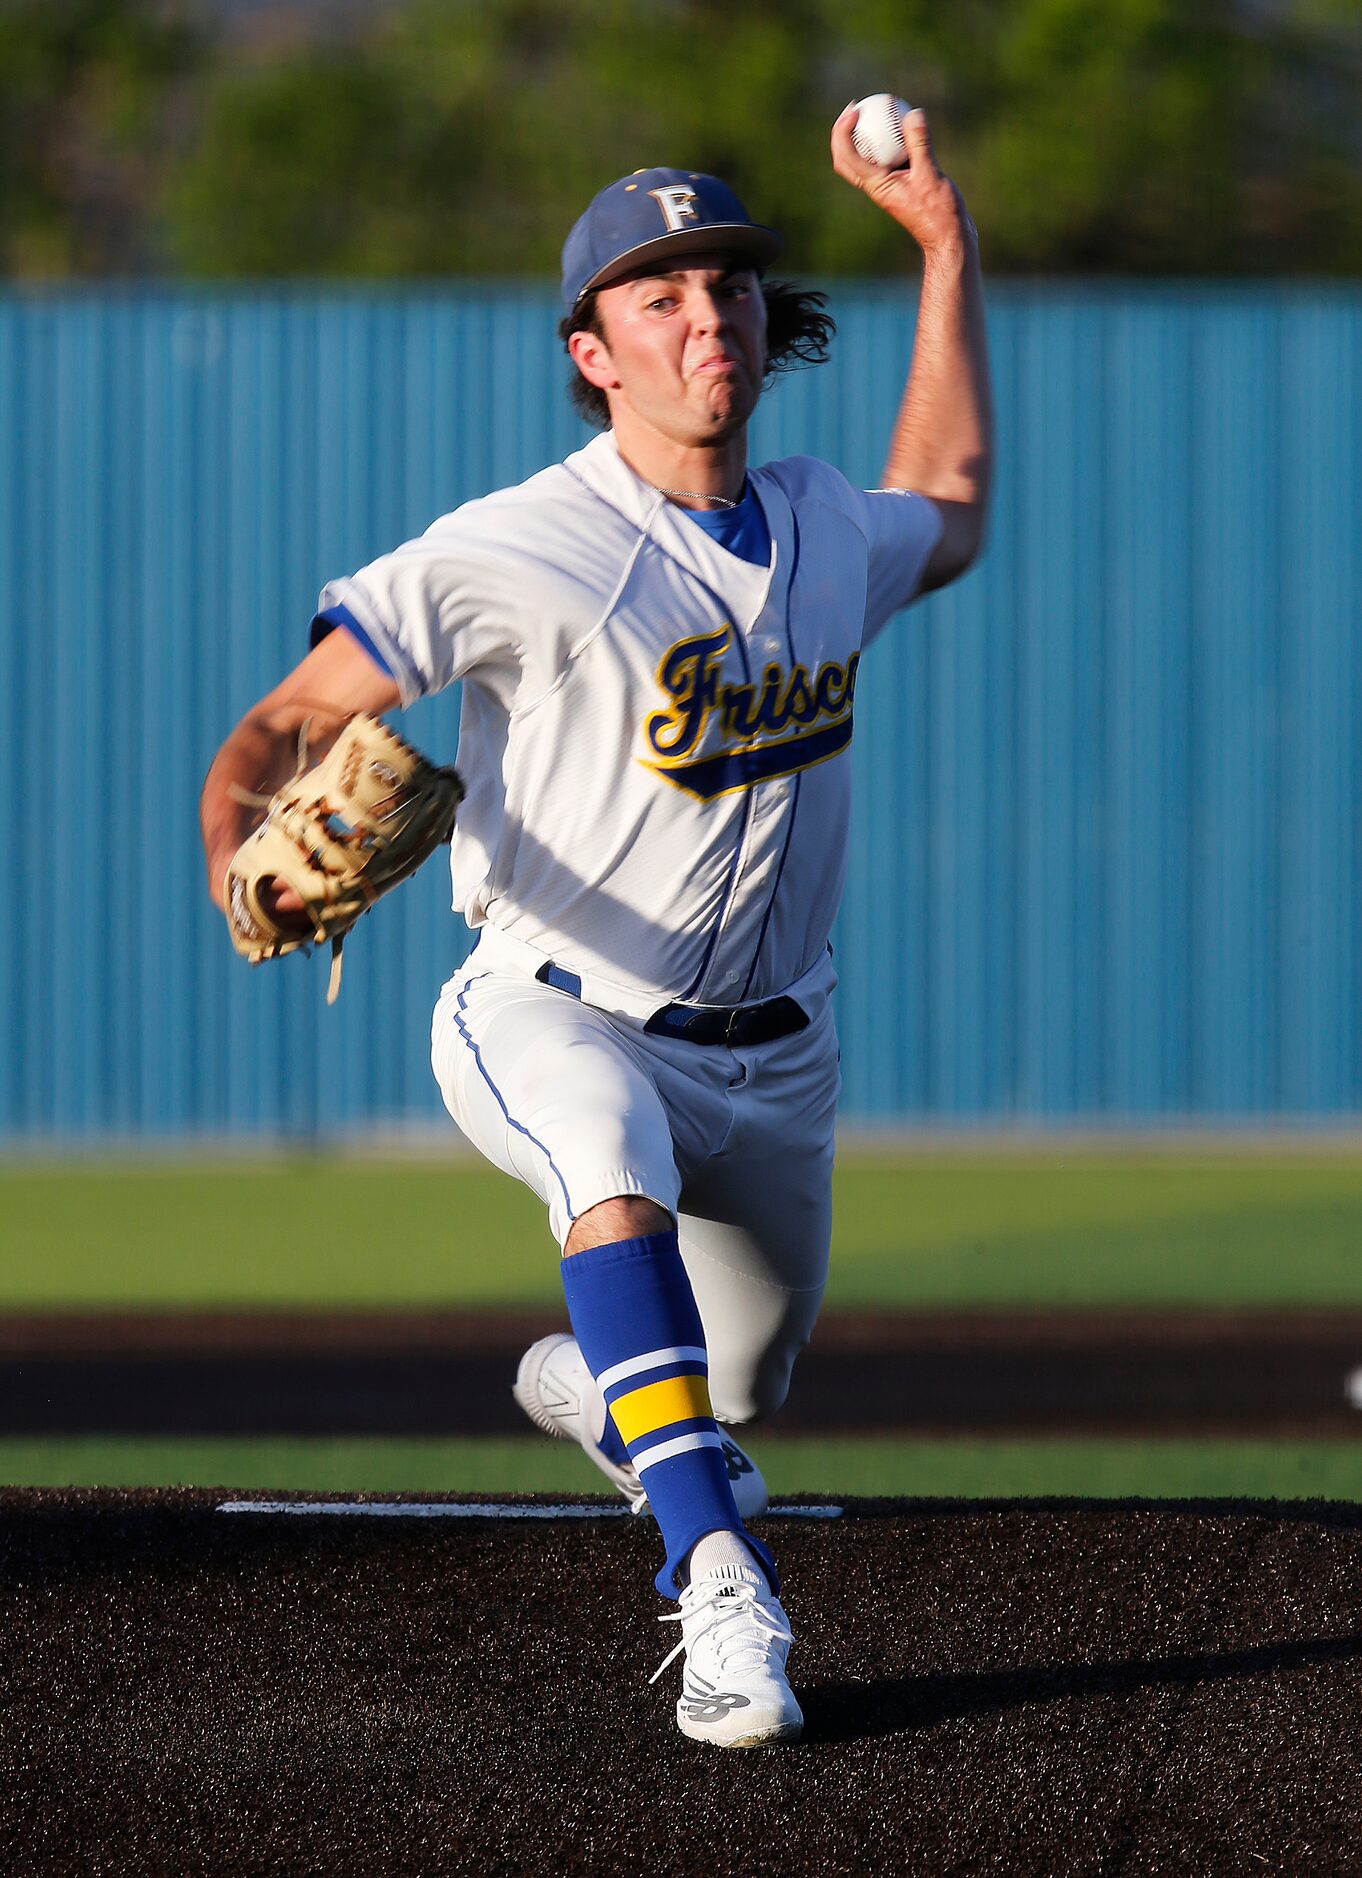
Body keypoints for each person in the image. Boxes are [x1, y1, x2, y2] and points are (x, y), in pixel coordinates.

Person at [200, 104, 991, 1749]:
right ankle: (717, 1584)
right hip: (556, 1003)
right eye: (657, 296)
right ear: (593, 350)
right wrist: (233, 832)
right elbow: (290, 715)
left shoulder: (828, 527)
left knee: (745, 1389)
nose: (705, 315)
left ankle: (613, 1405)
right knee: (607, 1174)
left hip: (780, 1052)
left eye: (726, 286)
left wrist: (940, 244)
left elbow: (953, 501)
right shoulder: (520, 542)